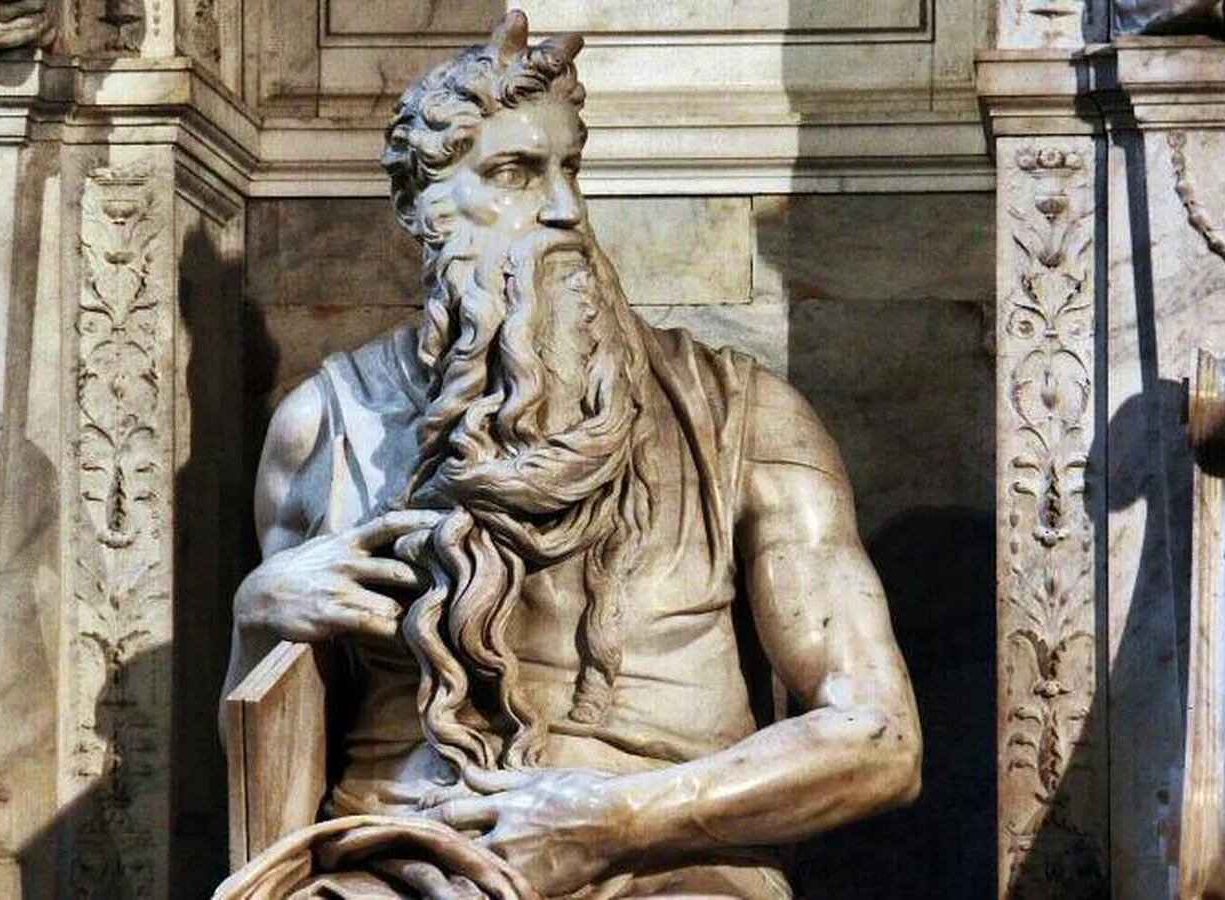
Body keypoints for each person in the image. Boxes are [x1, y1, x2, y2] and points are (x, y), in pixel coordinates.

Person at [218, 11, 921, 899]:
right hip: (406, 862)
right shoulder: (326, 426)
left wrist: (619, 820)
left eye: (570, 168)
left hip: (668, 861)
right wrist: (256, 619)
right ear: (419, 207)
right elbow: (276, 746)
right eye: (514, 173)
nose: (563, 209)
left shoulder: (744, 419)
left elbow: (881, 739)